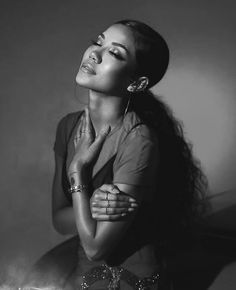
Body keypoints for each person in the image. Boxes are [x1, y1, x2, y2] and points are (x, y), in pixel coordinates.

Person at [23, 20, 207, 289]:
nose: (94, 53)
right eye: (98, 42)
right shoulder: (68, 126)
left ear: (136, 82)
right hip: (83, 278)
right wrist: (93, 205)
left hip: (130, 281)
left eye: (115, 52)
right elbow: (60, 221)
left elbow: (96, 248)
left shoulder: (139, 141)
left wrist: (78, 174)